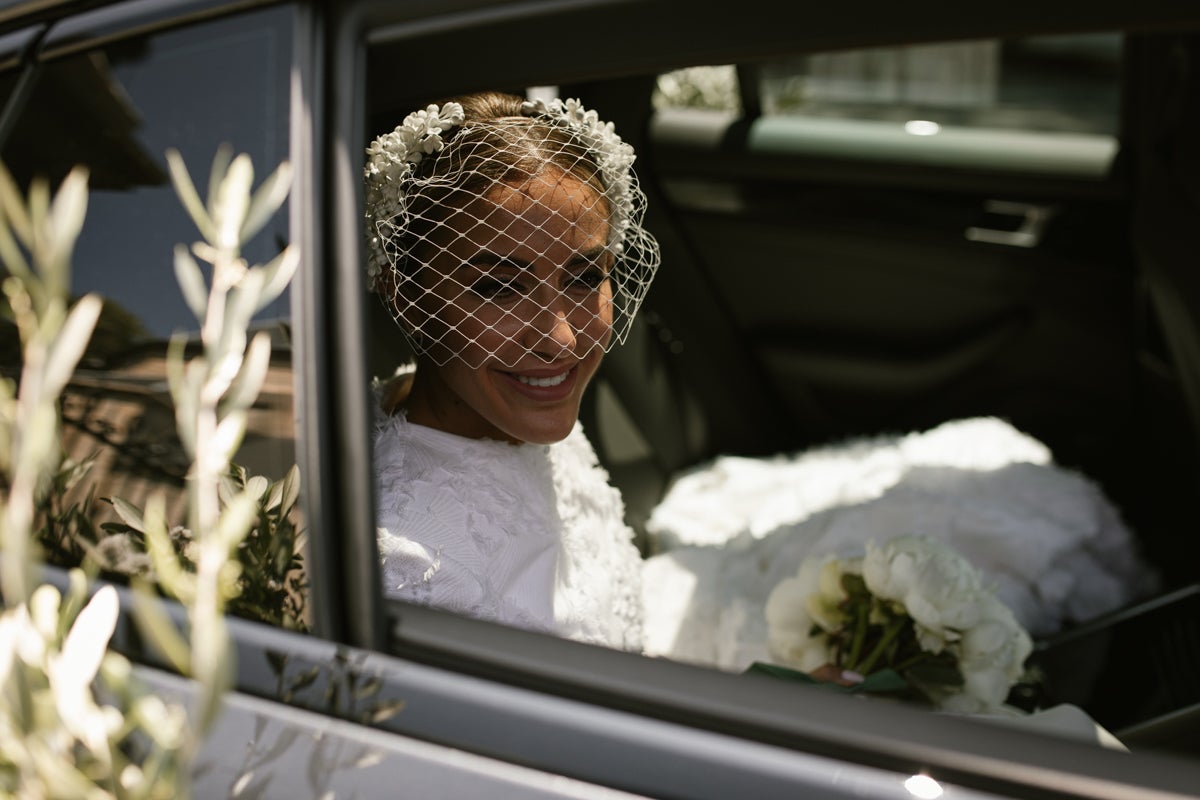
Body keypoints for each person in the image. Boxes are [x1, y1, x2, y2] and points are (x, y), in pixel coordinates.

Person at [364, 91, 659, 651]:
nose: (560, 340)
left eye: (583, 277)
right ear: (407, 291)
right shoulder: (409, 569)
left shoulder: (517, 407)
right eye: (499, 287)